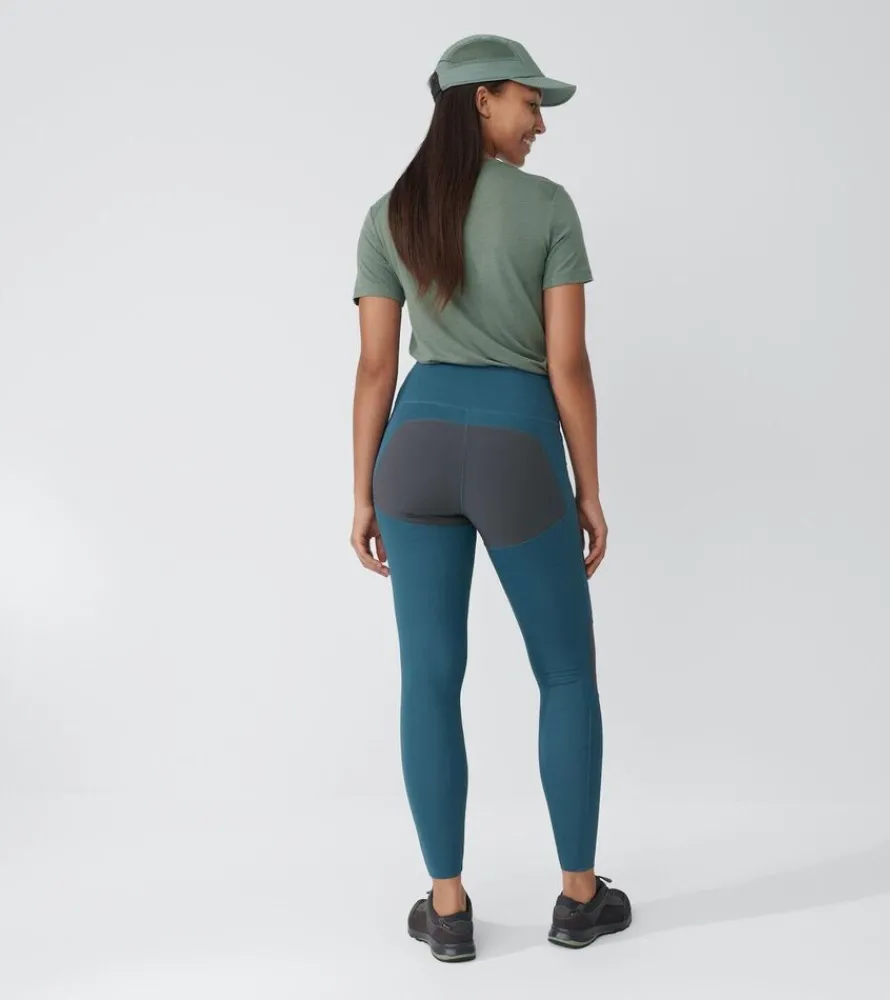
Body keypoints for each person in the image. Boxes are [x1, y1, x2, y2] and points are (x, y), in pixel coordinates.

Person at [350, 34, 631, 963]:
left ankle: (448, 908)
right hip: (516, 447)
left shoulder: (391, 212)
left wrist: (362, 491)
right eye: (529, 101)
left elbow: (376, 369)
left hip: (413, 450)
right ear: (480, 99)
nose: (539, 121)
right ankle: (580, 899)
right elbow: (568, 363)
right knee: (565, 675)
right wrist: (589, 487)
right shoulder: (546, 208)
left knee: (428, 678)